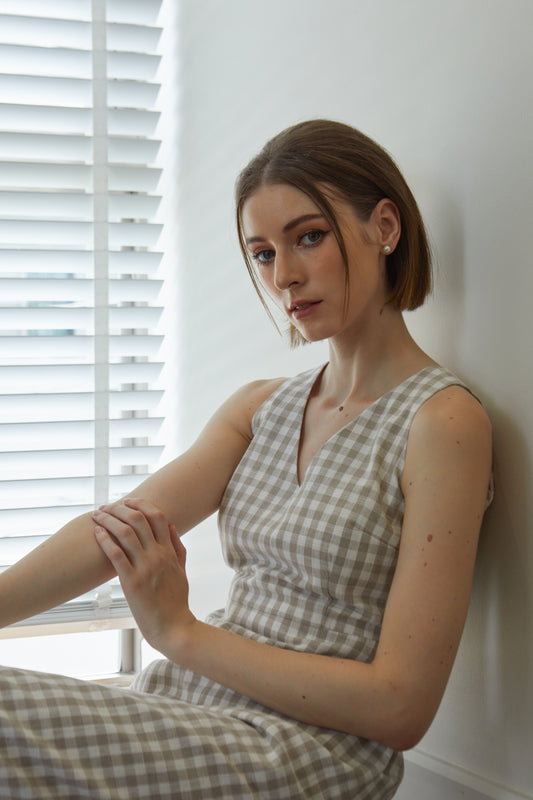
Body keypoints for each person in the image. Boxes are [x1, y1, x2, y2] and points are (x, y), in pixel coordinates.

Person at [0, 119, 493, 799]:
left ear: (384, 226)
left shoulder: (440, 422)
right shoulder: (260, 407)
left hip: (301, 751)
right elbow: (114, 531)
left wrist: (180, 631)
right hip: (189, 709)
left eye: (308, 237)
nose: (284, 275)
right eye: (262, 253)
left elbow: (399, 707)